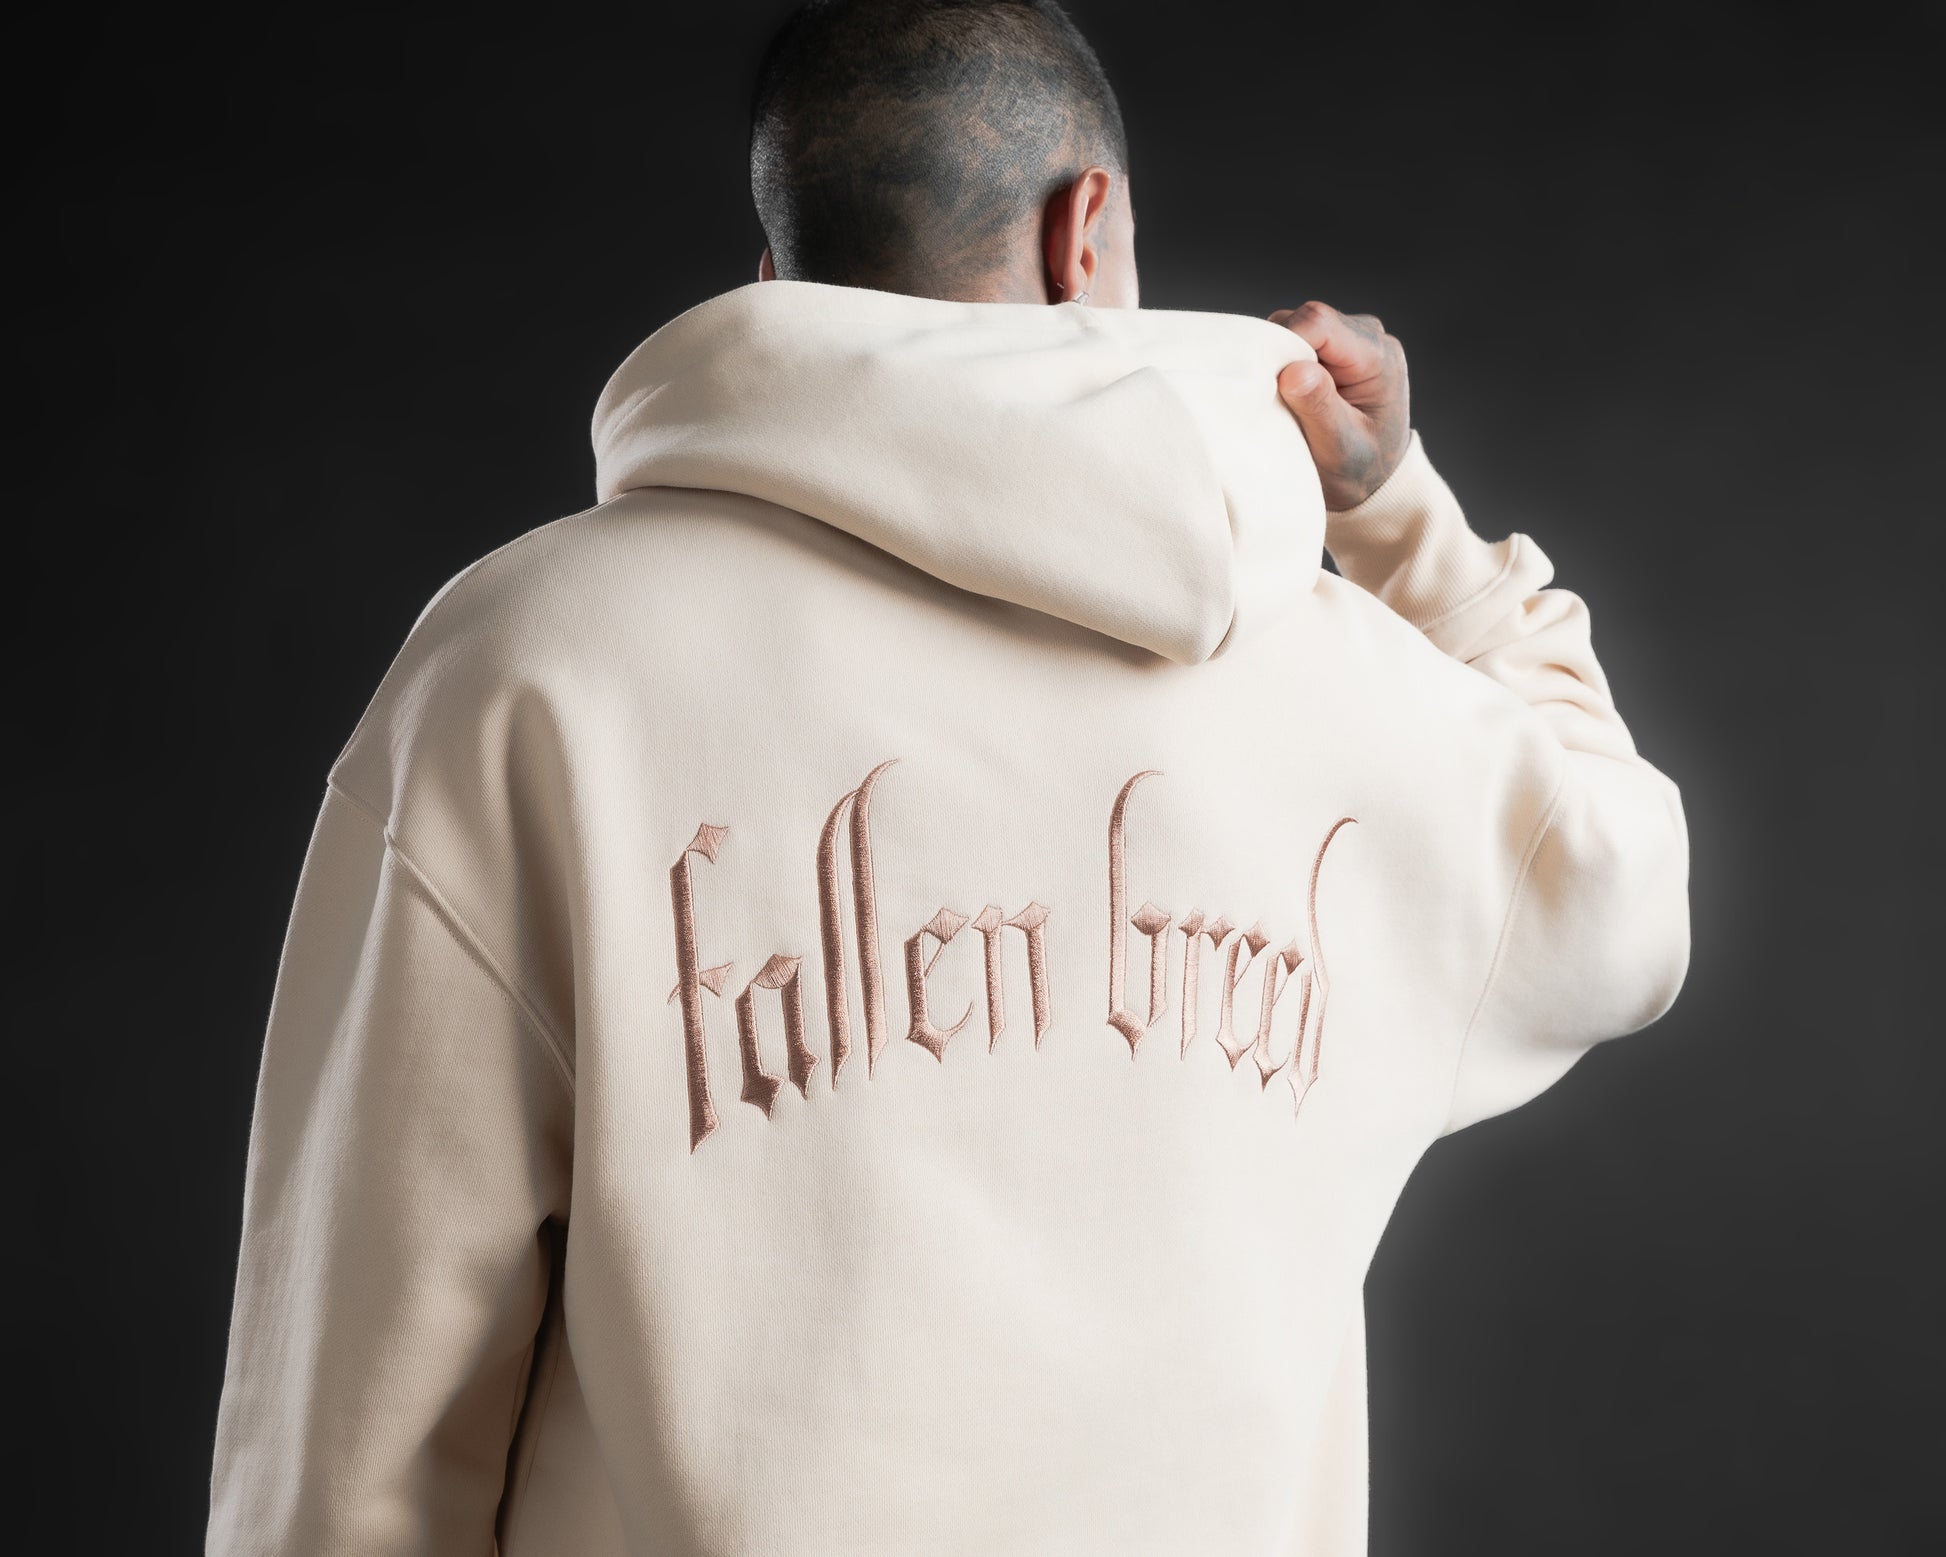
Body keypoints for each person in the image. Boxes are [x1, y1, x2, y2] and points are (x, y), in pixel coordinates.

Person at [205, 1, 1691, 1552]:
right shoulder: (1346, 689)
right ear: (1084, 229)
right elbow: (1625, 891)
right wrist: (1396, 517)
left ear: (778, 284)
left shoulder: (527, 667)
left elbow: (354, 1431)